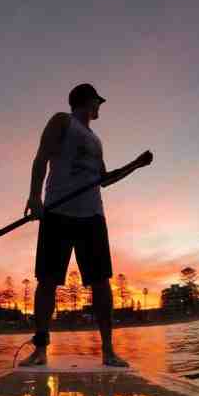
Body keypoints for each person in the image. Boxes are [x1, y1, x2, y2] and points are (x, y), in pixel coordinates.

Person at [20, 83, 129, 367]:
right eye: (97, 102)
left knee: (101, 283)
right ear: (87, 101)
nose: (100, 107)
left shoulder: (97, 141)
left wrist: (132, 168)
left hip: (92, 216)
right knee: (47, 281)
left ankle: (108, 351)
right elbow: (41, 157)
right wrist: (34, 196)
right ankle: (40, 349)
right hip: (57, 211)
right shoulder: (62, 121)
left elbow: (104, 180)